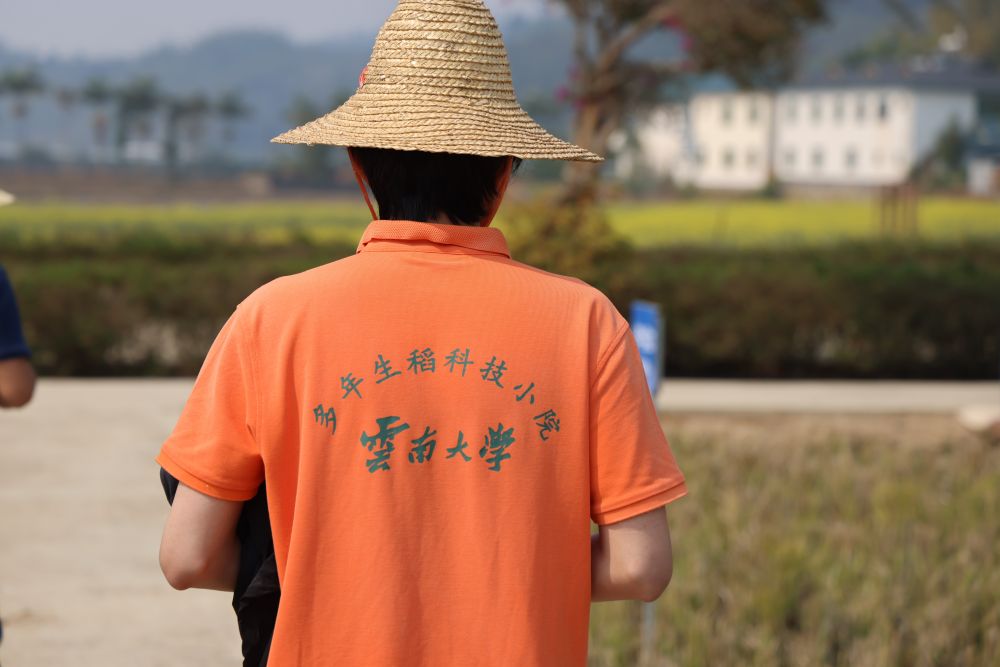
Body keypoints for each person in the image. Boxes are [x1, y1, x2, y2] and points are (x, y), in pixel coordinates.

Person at [156, 0, 687, 665]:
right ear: (503, 174)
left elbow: (187, 555)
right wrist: (506, 574)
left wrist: (324, 567)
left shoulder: (271, 319)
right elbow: (640, 565)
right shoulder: (586, 323)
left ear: (360, 168)